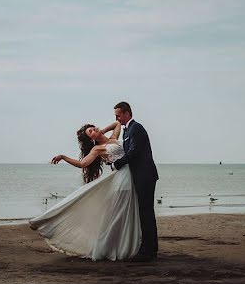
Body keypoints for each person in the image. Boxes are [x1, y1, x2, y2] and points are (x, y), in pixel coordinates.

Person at [28, 122, 142, 261]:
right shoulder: (98, 149)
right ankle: (109, 247)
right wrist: (63, 157)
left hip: (131, 176)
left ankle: (127, 246)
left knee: (127, 214)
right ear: (91, 139)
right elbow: (82, 164)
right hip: (120, 180)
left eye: (93, 128)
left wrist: (101, 131)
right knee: (118, 215)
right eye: (91, 132)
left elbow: (117, 123)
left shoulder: (113, 137)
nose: (94, 129)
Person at [112, 101, 159, 262]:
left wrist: (117, 164)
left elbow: (134, 152)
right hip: (138, 175)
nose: (116, 118)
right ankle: (148, 248)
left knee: (146, 212)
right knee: (143, 212)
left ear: (127, 113)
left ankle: (149, 251)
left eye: (118, 115)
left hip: (145, 175)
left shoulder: (136, 128)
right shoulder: (127, 131)